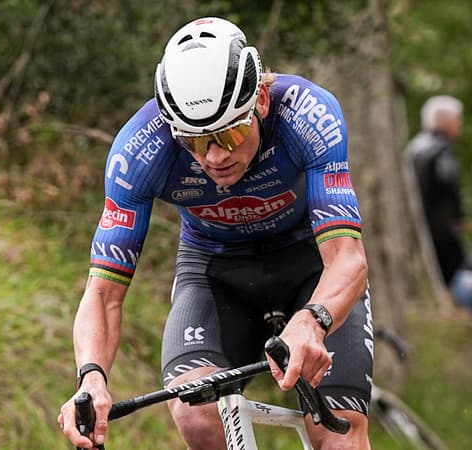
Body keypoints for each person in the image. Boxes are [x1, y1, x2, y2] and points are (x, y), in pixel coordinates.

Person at [57, 17, 373, 450]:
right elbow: (103, 293)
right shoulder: (139, 152)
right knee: (196, 415)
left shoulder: (307, 114)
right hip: (215, 272)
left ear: (260, 99)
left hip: (310, 266)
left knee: (337, 431)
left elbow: (348, 259)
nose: (215, 155)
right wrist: (90, 377)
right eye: (194, 142)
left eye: (231, 132)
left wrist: (313, 319)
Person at [405, 95, 472, 311]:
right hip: (443, 229)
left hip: (417, 229)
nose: (460, 125)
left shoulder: (414, 147)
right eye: (457, 120)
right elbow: (448, 179)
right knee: (461, 272)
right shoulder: (441, 149)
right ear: (446, 121)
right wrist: (459, 216)